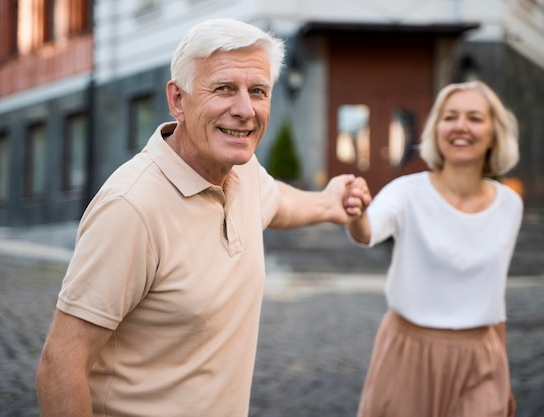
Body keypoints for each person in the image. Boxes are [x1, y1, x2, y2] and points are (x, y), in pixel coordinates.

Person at [36, 18, 366, 417]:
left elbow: (277, 200)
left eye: (257, 91)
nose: (245, 110)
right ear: (178, 99)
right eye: (224, 88)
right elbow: (61, 365)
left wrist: (330, 203)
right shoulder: (131, 208)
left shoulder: (240, 170)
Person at [347, 80, 522, 417]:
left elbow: (495, 295)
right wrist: (355, 212)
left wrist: (504, 374)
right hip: (409, 352)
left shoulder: (510, 204)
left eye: (474, 117)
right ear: (437, 129)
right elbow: (367, 231)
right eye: (450, 116)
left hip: (481, 358)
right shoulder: (406, 191)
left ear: (494, 132)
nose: (460, 126)